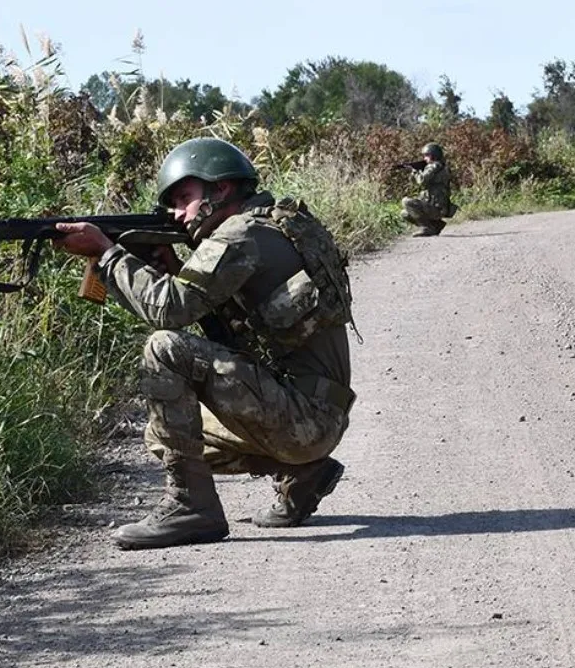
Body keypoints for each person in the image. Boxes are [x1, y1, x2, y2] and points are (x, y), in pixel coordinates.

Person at [54, 137, 356, 550]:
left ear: (221, 189)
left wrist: (106, 254)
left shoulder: (239, 235)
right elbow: (238, 334)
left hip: (304, 419)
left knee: (164, 348)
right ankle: (305, 473)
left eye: (183, 198)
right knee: (161, 435)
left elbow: (170, 311)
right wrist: (173, 267)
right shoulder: (272, 224)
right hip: (314, 416)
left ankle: (191, 509)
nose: (177, 214)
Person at [401, 142, 454, 237]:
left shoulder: (434, 166)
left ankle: (426, 227)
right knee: (405, 213)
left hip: (436, 208)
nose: (424, 158)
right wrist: (415, 173)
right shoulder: (441, 166)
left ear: (434, 155)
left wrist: (415, 172)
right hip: (438, 208)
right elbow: (419, 184)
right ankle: (436, 225)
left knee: (406, 201)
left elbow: (421, 181)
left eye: (427, 155)